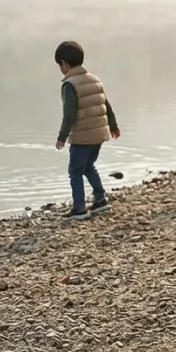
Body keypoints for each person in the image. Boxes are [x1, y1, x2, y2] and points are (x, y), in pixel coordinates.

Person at [54, 41, 121, 221]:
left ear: (64, 63)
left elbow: (69, 115)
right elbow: (106, 106)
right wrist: (113, 126)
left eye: (59, 65)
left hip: (82, 137)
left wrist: (62, 137)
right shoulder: (95, 79)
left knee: (75, 170)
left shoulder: (70, 84)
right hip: (99, 135)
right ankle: (100, 199)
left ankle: (79, 209)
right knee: (88, 166)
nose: (60, 68)